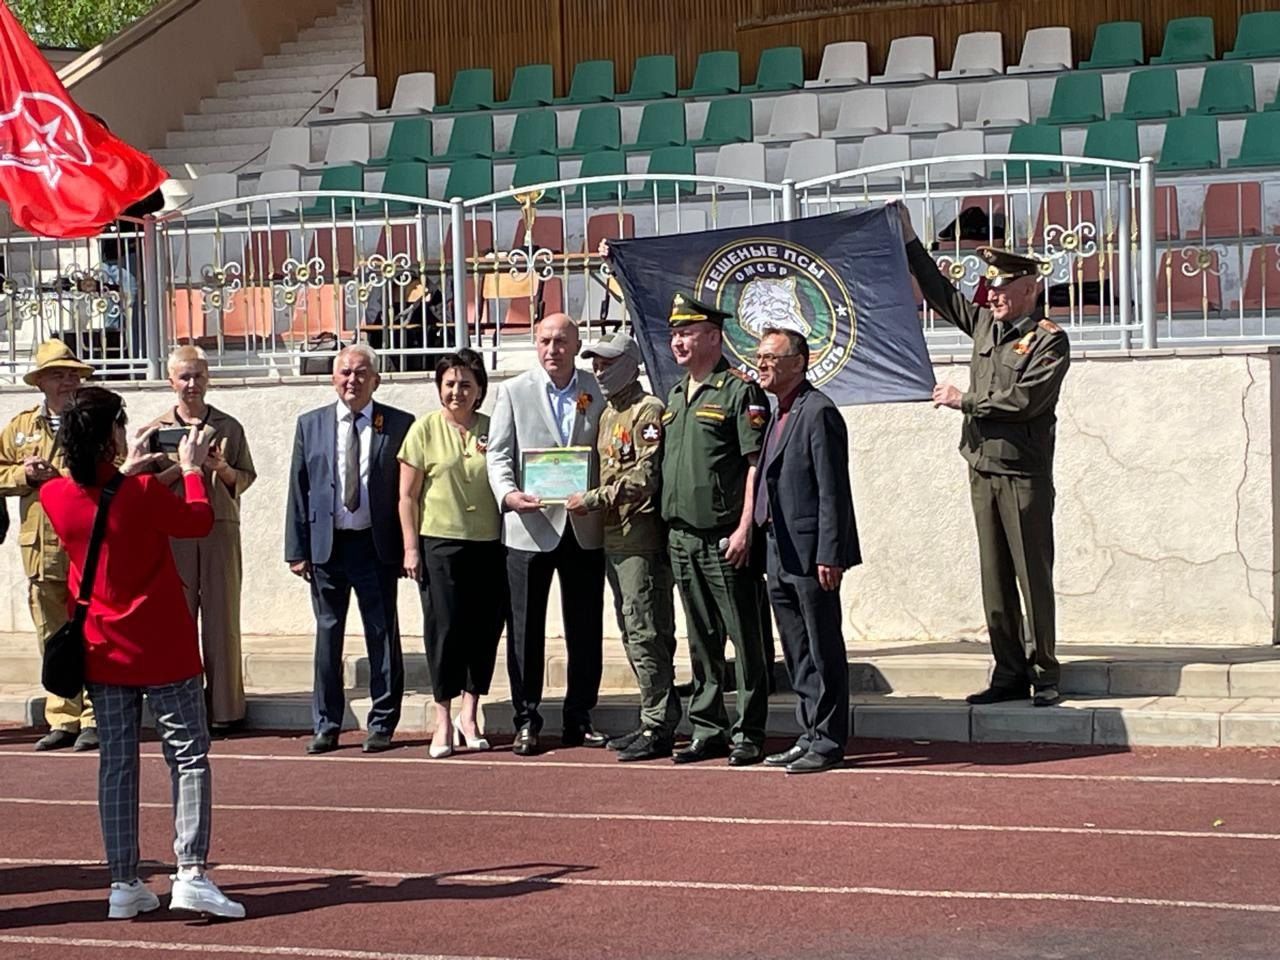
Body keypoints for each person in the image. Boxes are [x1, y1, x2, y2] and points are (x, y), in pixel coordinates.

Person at [39, 386, 244, 920]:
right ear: (111, 437)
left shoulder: (55, 496)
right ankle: (191, 872)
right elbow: (197, 520)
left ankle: (123, 881)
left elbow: (98, 502)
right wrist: (191, 468)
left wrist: (125, 469)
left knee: (117, 764)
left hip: (103, 647)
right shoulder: (144, 492)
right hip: (162, 643)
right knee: (188, 757)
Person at [896, 202, 1070, 707]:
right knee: (995, 579)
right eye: (989, 287)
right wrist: (909, 239)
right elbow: (940, 291)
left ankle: (1044, 671)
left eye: (1002, 288)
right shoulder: (985, 326)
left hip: (1022, 473)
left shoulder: (1048, 341)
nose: (991, 295)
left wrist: (965, 400)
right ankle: (1008, 671)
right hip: (982, 467)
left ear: (1029, 289)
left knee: (1031, 576)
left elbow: (1024, 401)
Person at [486, 313, 606, 757]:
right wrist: (508, 495)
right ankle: (526, 720)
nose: (552, 349)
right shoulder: (514, 391)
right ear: (535, 345)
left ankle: (580, 717)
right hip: (529, 528)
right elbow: (498, 454)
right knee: (524, 630)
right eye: (544, 341)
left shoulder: (597, 389)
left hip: (583, 526)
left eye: (560, 341)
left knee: (585, 627)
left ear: (576, 345)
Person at [285, 343, 414, 754]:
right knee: (328, 635)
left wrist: (408, 546)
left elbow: (408, 491)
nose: (352, 380)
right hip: (328, 547)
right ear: (333, 378)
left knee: (382, 633)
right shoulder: (311, 424)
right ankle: (326, 724)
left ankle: (382, 722)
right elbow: (299, 488)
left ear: (376, 380)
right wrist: (296, 549)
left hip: (375, 545)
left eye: (361, 373)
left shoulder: (398, 424)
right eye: (345, 372)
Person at [660, 293, 770, 766]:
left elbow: (755, 466)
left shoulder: (739, 392)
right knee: (701, 639)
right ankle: (708, 727)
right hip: (681, 536)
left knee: (744, 638)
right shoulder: (674, 396)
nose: (678, 342)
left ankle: (749, 730)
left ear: (712, 337)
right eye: (674, 334)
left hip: (724, 537)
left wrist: (746, 527)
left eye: (687, 333)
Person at [568, 331, 680, 762]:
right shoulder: (608, 414)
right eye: (595, 364)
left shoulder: (647, 410)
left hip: (641, 539)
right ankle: (653, 715)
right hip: (614, 537)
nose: (599, 371)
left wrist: (594, 499)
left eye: (608, 363)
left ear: (631, 365)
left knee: (646, 630)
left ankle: (658, 724)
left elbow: (645, 477)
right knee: (632, 631)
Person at [752, 328, 860, 775]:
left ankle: (830, 739)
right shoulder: (777, 411)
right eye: (759, 356)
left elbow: (833, 490)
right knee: (796, 649)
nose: (762, 364)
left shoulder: (818, 411)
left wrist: (830, 554)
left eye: (771, 358)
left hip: (811, 552)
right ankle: (809, 732)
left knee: (821, 647)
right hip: (777, 548)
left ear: (798, 363)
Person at [398, 349, 505, 759]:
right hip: (439, 543)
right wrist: (411, 547)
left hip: (489, 543)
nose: (457, 391)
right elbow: (407, 497)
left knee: (484, 629)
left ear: (479, 390)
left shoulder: (493, 428)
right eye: (449, 384)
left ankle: (469, 714)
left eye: (465, 384)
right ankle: (442, 717)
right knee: (445, 630)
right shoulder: (423, 429)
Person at [145, 346, 256, 733]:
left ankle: (226, 709)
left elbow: (244, 478)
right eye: (184, 377)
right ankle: (181, 705)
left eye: (198, 376)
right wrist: (183, 467)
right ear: (171, 381)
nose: (192, 384)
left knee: (223, 619)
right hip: (174, 530)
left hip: (219, 528)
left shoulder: (228, 427)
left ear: (208, 379)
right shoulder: (155, 431)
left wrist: (219, 467)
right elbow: (145, 487)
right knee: (176, 621)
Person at [0, 340, 97, 751]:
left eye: (73, 374)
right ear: (40, 382)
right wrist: (23, 474)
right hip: (41, 550)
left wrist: (64, 477)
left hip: (85, 547)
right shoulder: (20, 427)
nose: (68, 381)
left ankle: (94, 716)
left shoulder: (94, 419)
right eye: (58, 374)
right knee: (52, 637)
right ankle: (63, 717)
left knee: (91, 633)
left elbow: (117, 465)